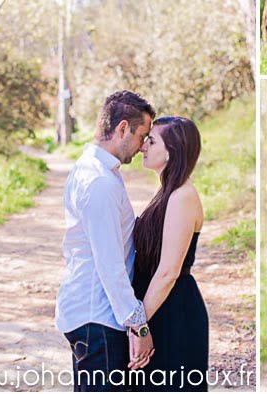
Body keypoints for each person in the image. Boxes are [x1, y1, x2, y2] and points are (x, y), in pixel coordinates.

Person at [56, 90, 157, 392]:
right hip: (97, 317)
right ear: (123, 128)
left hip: (91, 315)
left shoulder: (98, 170)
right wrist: (138, 325)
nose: (142, 147)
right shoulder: (99, 181)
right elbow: (110, 264)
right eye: (143, 136)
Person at [128, 117, 209, 392]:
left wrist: (139, 325)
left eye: (151, 141)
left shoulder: (182, 196)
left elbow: (168, 271)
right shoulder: (167, 192)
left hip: (173, 311)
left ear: (171, 151)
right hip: (158, 307)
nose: (143, 147)